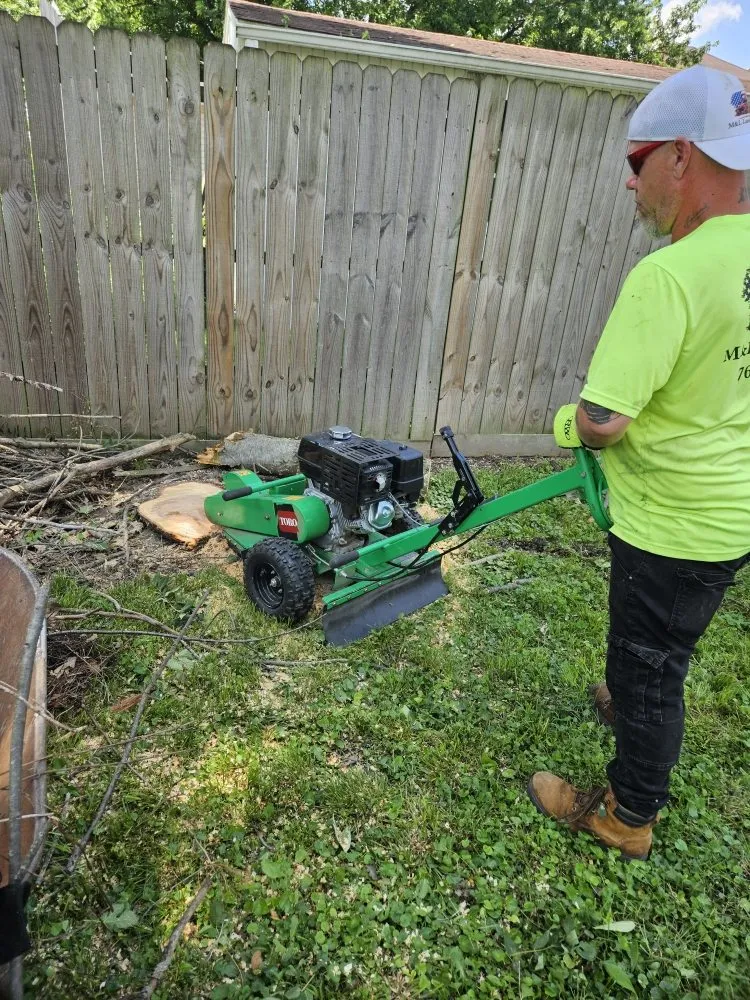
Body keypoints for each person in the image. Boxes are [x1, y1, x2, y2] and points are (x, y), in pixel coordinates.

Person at [526, 64, 750, 861]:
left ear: (682, 158)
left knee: (650, 664)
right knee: (664, 653)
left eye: (636, 160)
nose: (630, 182)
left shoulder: (671, 275)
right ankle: (630, 697)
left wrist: (565, 421)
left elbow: (602, 420)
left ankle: (627, 817)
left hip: (674, 525)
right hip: (731, 516)